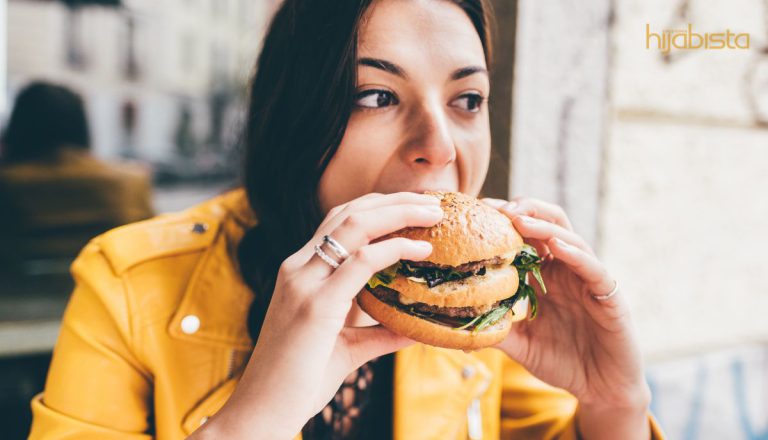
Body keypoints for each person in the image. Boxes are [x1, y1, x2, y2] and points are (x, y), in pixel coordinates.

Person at [28, 1, 665, 439]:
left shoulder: (475, 310)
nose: (440, 146)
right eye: (376, 96)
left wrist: (614, 404)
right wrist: (258, 416)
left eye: (468, 100)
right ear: (295, 115)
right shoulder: (125, 283)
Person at [0, 81, 153, 268]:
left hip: (14, 295)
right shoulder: (131, 182)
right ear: (82, 125)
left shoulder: (8, 184)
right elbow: (149, 250)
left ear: (18, 126)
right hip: (105, 293)